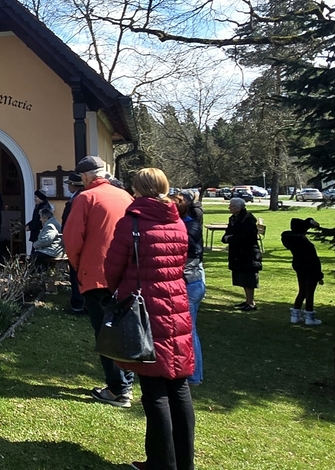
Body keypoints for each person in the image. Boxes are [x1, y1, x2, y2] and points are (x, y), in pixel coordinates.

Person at [105, 167, 195, 470]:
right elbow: (180, 261)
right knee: (178, 387)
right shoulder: (177, 221)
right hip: (176, 305)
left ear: (138, 189)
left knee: (154, 390)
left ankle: (163, 463)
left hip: (145, 309)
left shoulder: (132, 222)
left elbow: (113, 267)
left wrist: (117, 290)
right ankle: (183, 462)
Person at [63, 155, 135, 407]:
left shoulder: (86, 198)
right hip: (125, 275)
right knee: (124, 330)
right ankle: (126, 382)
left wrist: (79, 268)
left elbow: (72, 240)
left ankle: (117, 389)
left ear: (85, 177)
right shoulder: (125, 196)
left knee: (105, 333)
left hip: (97, 274)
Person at [174, 191, 204, 386]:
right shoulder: (189, 224)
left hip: (190, 282)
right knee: (188, 330)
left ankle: (194, 375)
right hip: (195, 280)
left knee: (189, 331)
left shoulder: (187, 227)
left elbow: (190, 253)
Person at [281, 217, 324, 325]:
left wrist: (309, 222)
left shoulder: (291, 240)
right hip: (311, 269)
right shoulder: (306, 244)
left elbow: (302, 225)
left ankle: (295, 315)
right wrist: (319, 275)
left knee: (302, 291)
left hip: (299, 266)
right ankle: (309, 317)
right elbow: (314, 260)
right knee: (309, 292)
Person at [222, 197, 262, 311]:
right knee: (242, 278)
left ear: (239, 207)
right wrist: (227, 238)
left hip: (248, 253)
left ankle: (251, 302)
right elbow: (227, 234)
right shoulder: (233, 218)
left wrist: (230, 238)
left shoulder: (248, 219)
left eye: (232, 206)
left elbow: (247, 237)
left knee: (249, 278)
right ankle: (247, 300)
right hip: (237, 253)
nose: (229, 208)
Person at [62, 173, 87, 314]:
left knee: (76, 273)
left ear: (73, 185)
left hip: (76, 240)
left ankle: (78, 304)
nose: (68, 187)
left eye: (69, 184)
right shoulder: (78, 197)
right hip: (76, 239)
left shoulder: (78, 199)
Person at [27, 191, 63, 269]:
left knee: (35, 256)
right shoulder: (38, 206)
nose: (34, 199)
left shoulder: (50, 224)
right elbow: (35, 219)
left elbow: (47, 239)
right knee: (35, 255)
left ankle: (37, 273)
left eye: (36, 197)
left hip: (52, 249)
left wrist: (35, 244)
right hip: (48, 247)